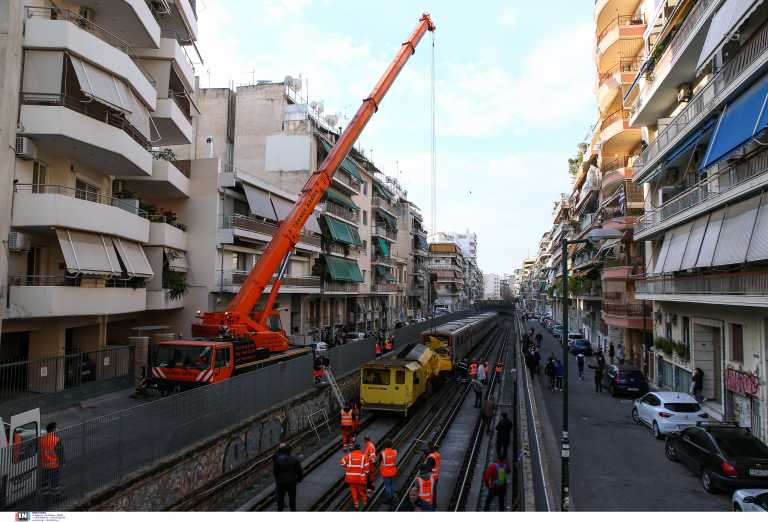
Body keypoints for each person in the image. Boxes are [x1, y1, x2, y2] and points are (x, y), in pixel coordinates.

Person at [272, 443, 303, 512]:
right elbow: (299, 471)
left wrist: (278, 479)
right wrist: (300, 479)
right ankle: (293, 510)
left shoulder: (278, 460)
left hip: (281, 483)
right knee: (292, 498)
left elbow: (275, 471)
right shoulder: (294, 460)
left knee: (281, 498)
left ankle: (280, 511)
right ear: (290, 451)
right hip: (292, 482)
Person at [39, 422, 64, 500]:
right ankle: (56, 498)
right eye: (56, 428)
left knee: (45, 483)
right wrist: (62, 462)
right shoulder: (56, 440)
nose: (57, 429)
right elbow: (60, 453)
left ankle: (45, 497)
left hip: (44, 466)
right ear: (52, 429)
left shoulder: (42, 439)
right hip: (53, 466)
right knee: (55, 483)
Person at [340, 442, 368, 510]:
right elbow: (367, 470)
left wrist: (347, 467)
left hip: (351, 479)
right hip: (360, 479)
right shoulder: (364, 457)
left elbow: (342, 461)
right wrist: (365, 475)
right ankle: (365, 503)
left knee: (354, 492)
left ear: (353, 449)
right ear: (359, 449)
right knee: (362, 491)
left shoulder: (349, 456)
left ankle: (356, 505)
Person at [379, 439, 398, 504]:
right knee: (392, 484)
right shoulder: (395, 452)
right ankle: (393, 496)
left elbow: (379, 461)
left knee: (387, 485)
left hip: (385, 472)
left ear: (384, 445)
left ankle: (389, 499)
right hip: (393, 471)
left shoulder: (383, 453)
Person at [423, 443, 441, 508]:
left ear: (428, 449)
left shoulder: (430, 457)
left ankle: (431, 504)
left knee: (430, 491)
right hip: (436, 476)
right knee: (434, 490)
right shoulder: (436, 454)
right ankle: (434, 503)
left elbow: (428, 468)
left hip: (431, 476)